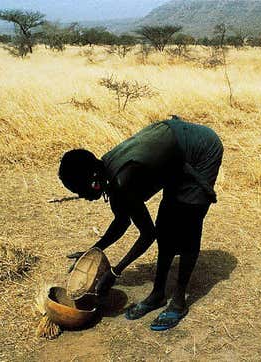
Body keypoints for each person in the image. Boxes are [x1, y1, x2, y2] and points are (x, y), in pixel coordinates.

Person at [58, 115, 223, 331]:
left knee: (188, 221)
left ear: (94, 180)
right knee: (165, 225)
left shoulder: (122, 180)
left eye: (81, 190)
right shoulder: (107, 171)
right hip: (176, 155)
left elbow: (147, 234)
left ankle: (179, 299)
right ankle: (157, 294)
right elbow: (122, 220)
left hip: (201, 149)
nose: (83, 196)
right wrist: (93, 250)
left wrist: (115, 272)